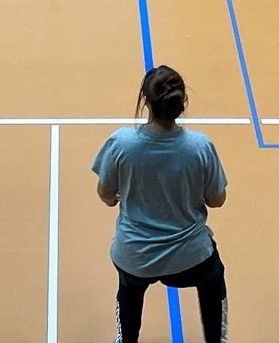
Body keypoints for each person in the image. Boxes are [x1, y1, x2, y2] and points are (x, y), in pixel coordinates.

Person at [91, 65, 228, 343]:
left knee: (129, 288)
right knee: (214, 279)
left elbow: (105, 193)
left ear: (146, 102)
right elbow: (217, 200)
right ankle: (217, 340)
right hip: (190, 258)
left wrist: (113, 198)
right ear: (182, 103)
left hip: (136, 257)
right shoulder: (200, 146)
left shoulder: (121, 143)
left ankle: (126, 338)